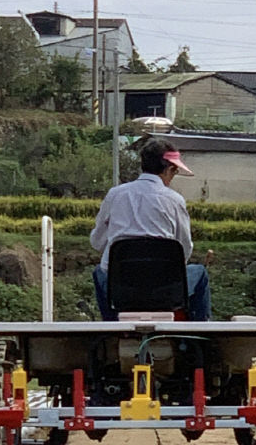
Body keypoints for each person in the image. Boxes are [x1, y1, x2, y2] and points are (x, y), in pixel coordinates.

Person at [90, 137, 211, 320]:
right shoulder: (174, 200)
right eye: (174, 172)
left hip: (122, 289)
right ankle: (199, 337)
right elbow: (184, 250)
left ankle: (113, 331)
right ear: (169, 169)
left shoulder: (115, 195)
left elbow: (97, 241)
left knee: (100, 271)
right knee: (200, 273)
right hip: (165, 289)